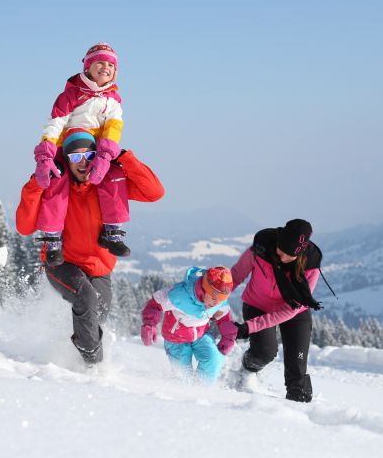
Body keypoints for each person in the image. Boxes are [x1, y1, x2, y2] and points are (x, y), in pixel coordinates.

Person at [16, 129, 164, 365]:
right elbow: (24, 227)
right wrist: (36, 184)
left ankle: (72, 354)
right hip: (62, 262)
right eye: (75, 157)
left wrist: (124, 156)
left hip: (99, 268)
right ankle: (93, 366)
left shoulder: (108, 184)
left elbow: (155, 192)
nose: (83, 163)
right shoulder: (55, 184)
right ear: (66, 159)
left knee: (98, 314)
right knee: (86, 298)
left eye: (89, 155)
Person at [32, 42, 130, 266]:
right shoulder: (71, 95)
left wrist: (105, 157)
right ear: (87, 67)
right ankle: (53, 238)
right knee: (58, 182)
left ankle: (112, 230)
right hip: (68, 148)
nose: (105, 67)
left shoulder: (113, 100)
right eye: (100, 63)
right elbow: (55, 124)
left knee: (113, 177)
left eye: (110, 65)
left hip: (97, 150)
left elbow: (113, 129)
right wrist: (45, 155)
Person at [230, 219, 323, 402]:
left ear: (301, 252)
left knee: (297, 368)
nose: (282, 258)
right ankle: (247, 371)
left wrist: (249, 327)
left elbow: (290, 310)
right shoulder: (261, 248)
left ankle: (301, 409)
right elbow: (235, 276)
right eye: (281, 251)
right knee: (264, 352)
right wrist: (209, 298)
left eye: (289, 255)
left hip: (294, 310)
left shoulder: (310, 266)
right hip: (257, 304)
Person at [140, 266, 238, 383]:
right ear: (204, 288)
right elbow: (155, 304)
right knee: (183, 375)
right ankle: (184, 394)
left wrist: (228, 338)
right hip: (176, 339)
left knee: (213, 361)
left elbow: (224, 318)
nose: (216, 303)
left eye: (221, 300)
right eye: (213, 298)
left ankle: (202, 391)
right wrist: (149, 325)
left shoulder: (218, 301)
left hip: (201, 335)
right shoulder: (179, 295)